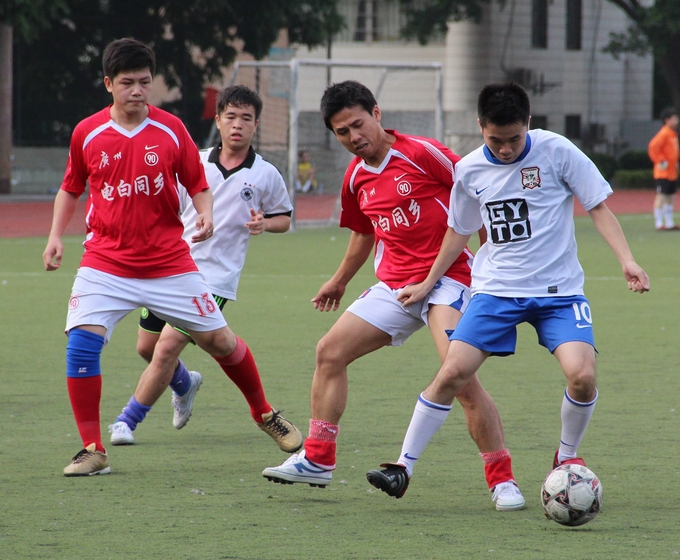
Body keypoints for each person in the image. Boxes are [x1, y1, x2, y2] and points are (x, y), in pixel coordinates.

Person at [369, 82, 650, 496]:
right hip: (496, 291)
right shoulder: (469, 170)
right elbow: (458, 231)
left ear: (528, 123)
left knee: (583, 376)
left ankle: (567, 456)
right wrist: (428, 282)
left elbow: (597, 207)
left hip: (559, 294)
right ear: (480, 127)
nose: (504, 149)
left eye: (514, 139)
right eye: (495, 140)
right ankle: (402, 467)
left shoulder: (557, 151)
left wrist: (627, 260)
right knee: (453, 372)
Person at [262, 80, 526, 512]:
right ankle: (318, 458)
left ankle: (502, 480)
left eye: (358, 124)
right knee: (329, 352)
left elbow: (479, 197)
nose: (353, 137)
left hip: (450, 280)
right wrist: (339, 280)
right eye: (342, 132)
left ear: (377, 114)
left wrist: (491, 271)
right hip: (397, 287)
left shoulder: (423, 153)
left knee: (458, 376)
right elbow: (364, 233)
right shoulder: (355, 177)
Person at [42, 39, 300, 477]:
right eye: (128, 82)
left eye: (145, 82)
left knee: (220, 343)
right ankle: (93, 449)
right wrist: (54, 236)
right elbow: (71, 188)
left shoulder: (171, 130)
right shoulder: (87, 132)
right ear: (108, 84)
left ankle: (263, 413)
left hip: (169, 264)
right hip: (104, 262)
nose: (138, 90)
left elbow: (198, 183)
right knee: (82, 342)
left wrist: (205, 212)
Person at [106, 85, 301, 453]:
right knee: (147, 347)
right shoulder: (193, 161)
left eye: (246, 118)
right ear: (219, 120)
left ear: (257, 125)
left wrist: (264, 224)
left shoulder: (266, 173)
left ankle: (127, 420)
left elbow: (284, 219)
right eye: (231, 117)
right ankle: (184, 384)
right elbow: (169, 204)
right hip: (171, 265)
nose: (238, 125)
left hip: (214, 278)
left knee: (166, 348)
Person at [648, 107, 679, 230]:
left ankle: (669, 222)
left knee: (671, 196)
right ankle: (659, 223)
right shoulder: (664, 133)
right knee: (661, 195)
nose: (676, 121)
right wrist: (661, 160)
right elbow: (653, 147)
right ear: (667, 120)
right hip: (663, 172)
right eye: (674, 119)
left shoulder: (673, 134)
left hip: (672, 172)